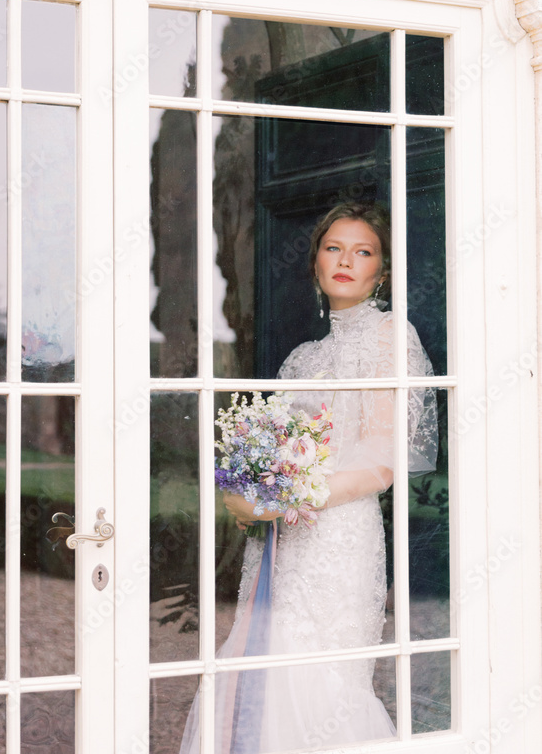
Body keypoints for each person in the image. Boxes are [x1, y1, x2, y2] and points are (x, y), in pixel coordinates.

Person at [180, 201, 437, 753]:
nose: (345, 260)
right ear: (315, 261)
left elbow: (382, 462)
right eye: (333, 248)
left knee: (323, 675)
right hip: (282, 539)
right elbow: (272, 451)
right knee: (264, 662)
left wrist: (290, 499)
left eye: (362, 252)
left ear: (382, 272)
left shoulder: (390, 336)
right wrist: (249, 494)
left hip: (339, 539)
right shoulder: (302, 358)